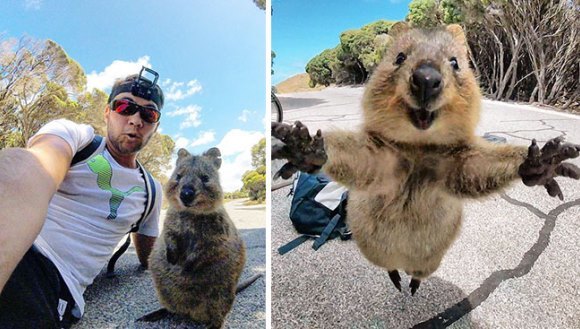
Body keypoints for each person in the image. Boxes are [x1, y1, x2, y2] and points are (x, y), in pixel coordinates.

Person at [0, 67, 165, 328]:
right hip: (16, 238)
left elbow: (149, 258)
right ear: (108, 112)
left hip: (49, 279)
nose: (136, 119)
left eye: (149, 113)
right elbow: (34, 166)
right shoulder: (76, 137)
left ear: (155, 127)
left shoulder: (151, 190)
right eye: (125, 107)